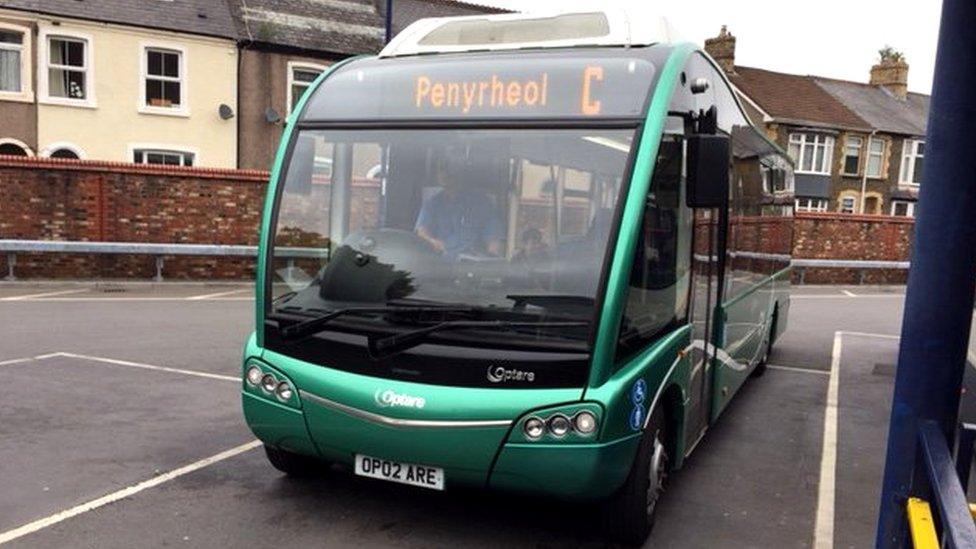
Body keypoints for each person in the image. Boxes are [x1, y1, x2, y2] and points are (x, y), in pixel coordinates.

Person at [414, 159, 503, 259]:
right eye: (441, 169)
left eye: (449, 169)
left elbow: (493, 239)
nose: (444, 174)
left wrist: (489, 262)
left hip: (471, 266)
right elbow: (421, 233)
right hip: (440, 266)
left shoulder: (481, 203)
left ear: (460, 172)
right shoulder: (432, 204)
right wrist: (432, 242)